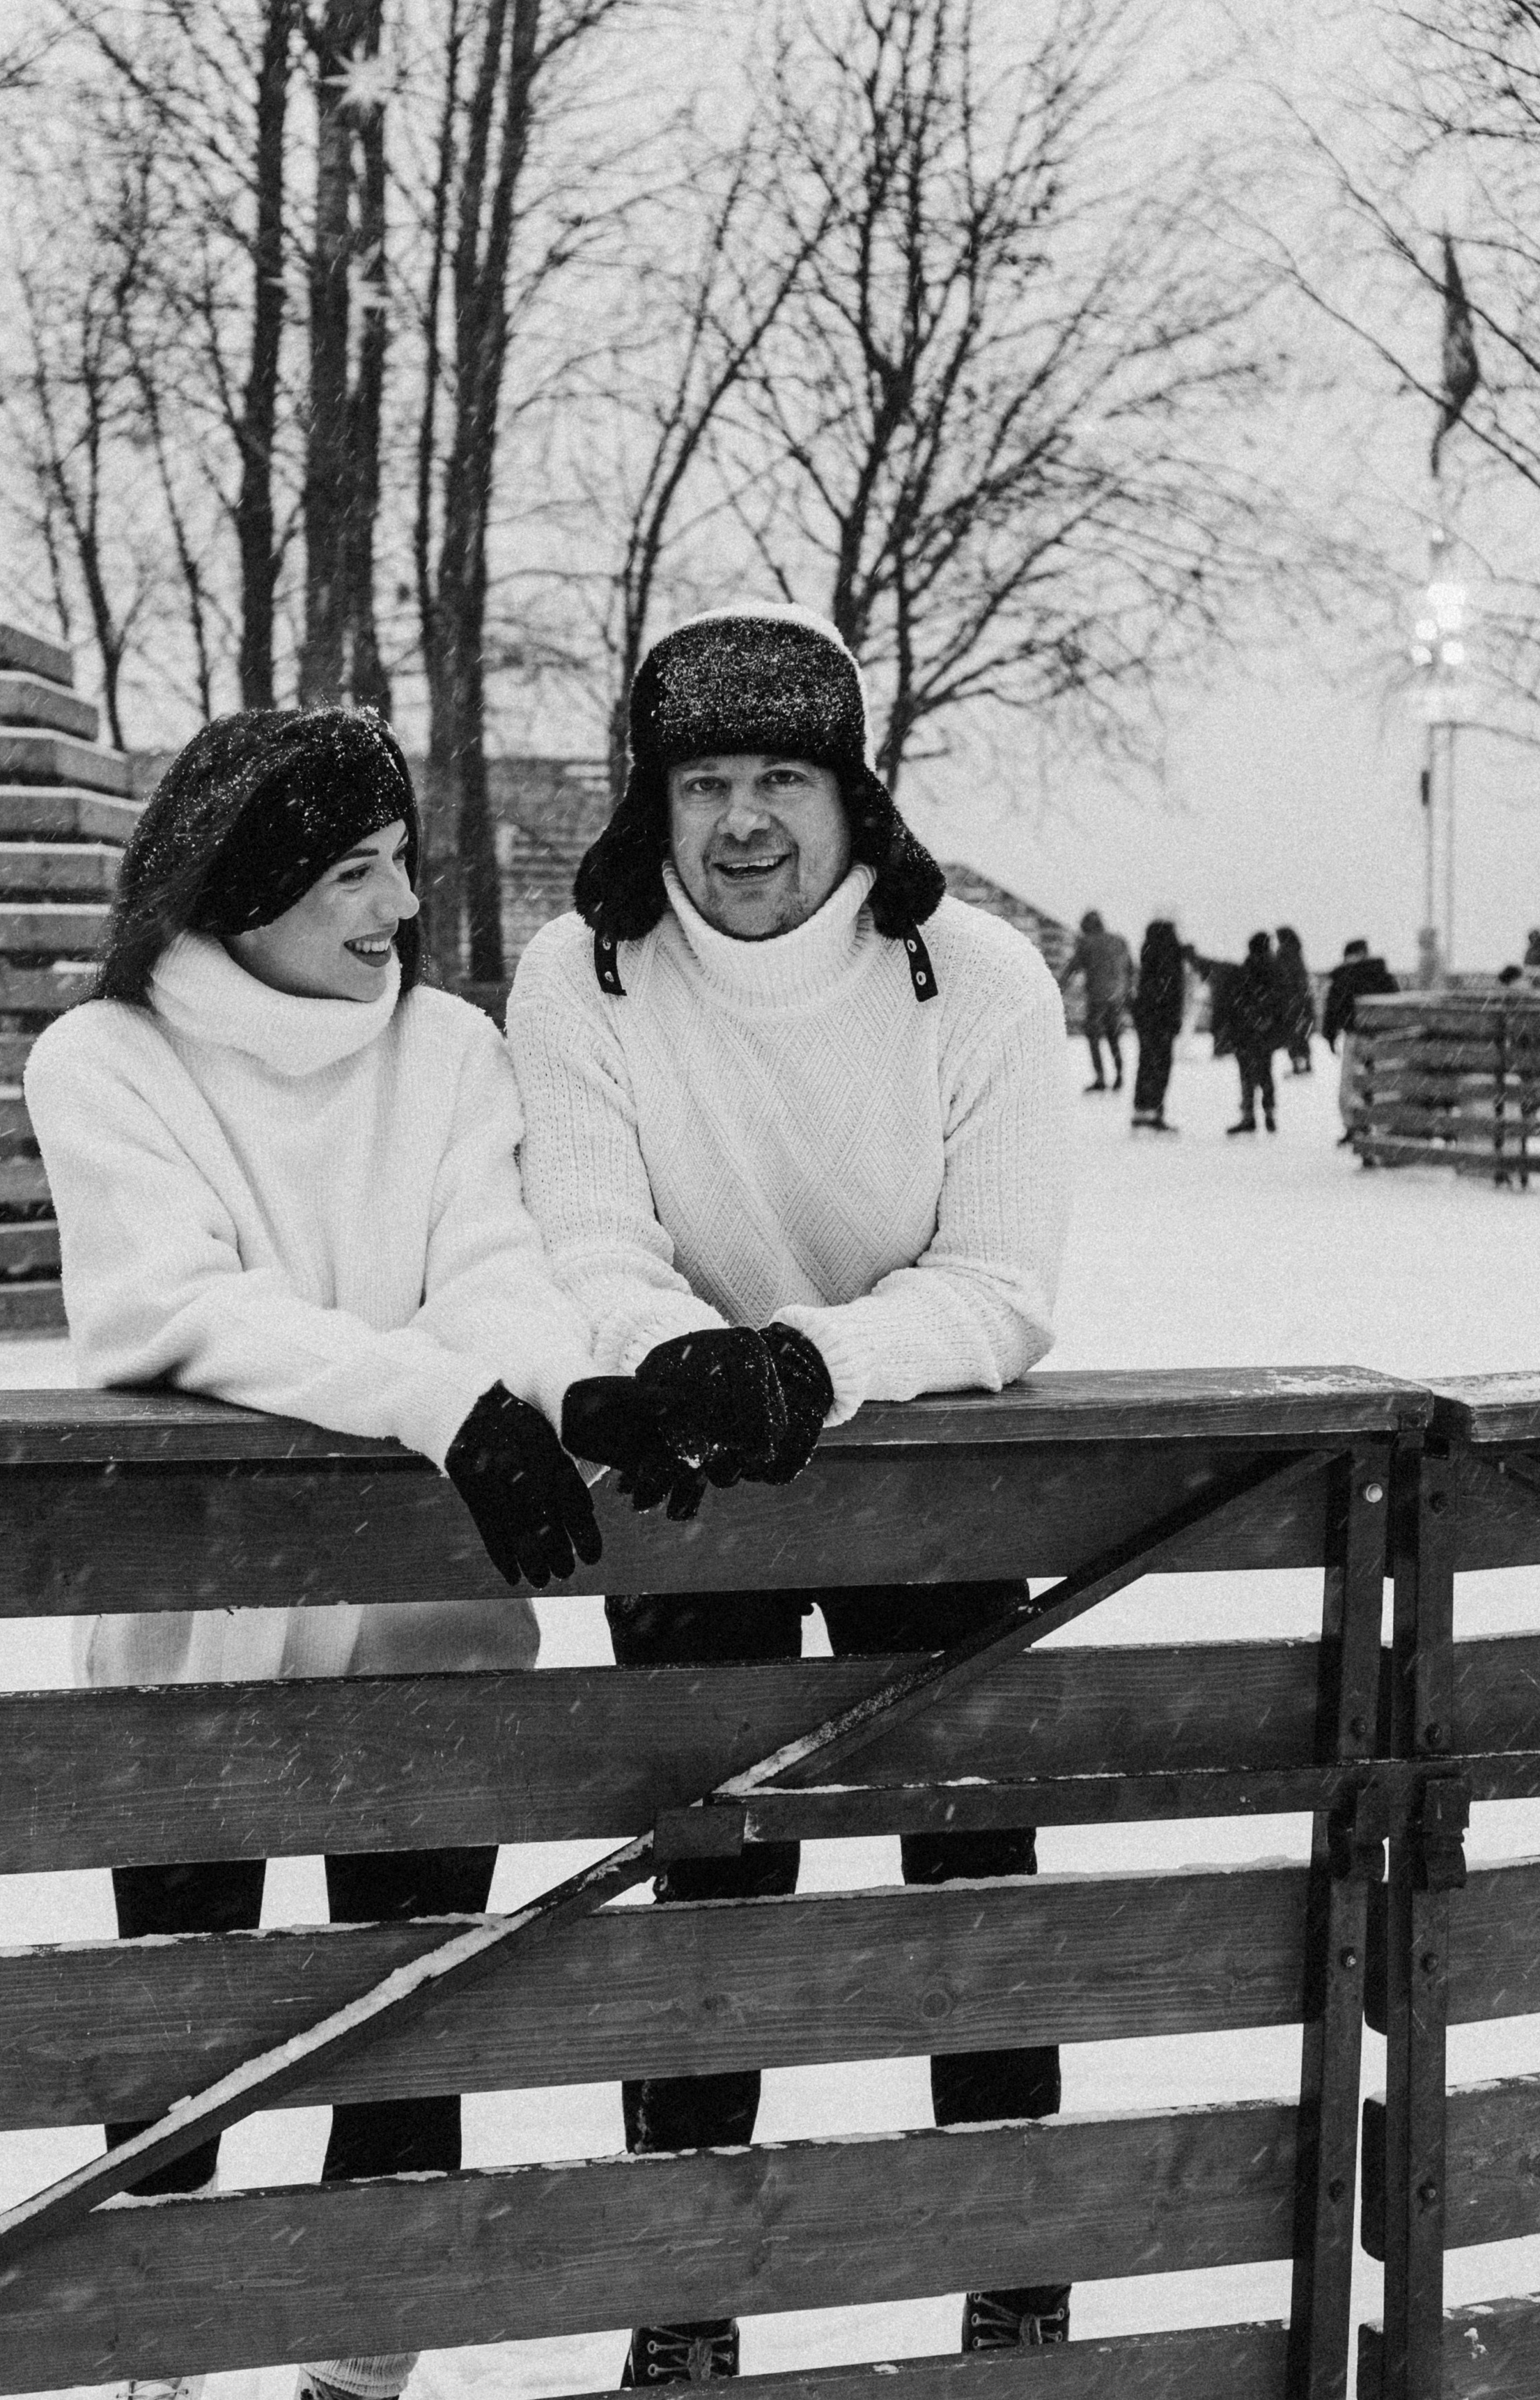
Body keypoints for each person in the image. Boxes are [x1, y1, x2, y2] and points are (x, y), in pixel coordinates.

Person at [24, 708, 681, 2400]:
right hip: (195, 1652)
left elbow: (484, 1261)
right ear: (246, 891)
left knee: (401, 2042)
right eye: (349, 873)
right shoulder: (106, 1059)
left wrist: (559, 1378)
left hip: (420, 1639)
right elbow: (170, 1303)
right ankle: (160, 2367)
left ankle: (357, 2383)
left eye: (402, 860)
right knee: (182, 2059)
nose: (396, 904)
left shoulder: (446, 1051)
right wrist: (443, 1404)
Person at [507, 601, 1073, 2380]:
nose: (740, 821)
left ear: (850, 794)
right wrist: (674, 1352)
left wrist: (811, 1361)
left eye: (779, 777)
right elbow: (586, 1232)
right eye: (701, 782)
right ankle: (684, 2296)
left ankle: (1012, 2275)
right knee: (701, 1884)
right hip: (694, 1486)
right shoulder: (579, 971)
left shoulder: (974, 975)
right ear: (650, 802)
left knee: (965, 1882)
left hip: (924, 1478)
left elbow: (997, 1277)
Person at [1188, 932, 1281, 1133]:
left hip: (1245, 1030)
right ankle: (1270, 1113)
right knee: (1266, 1073)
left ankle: (1248, 1116)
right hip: (1265, 1030)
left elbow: (1229, 994)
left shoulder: (1244, 970)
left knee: (1247, 1074)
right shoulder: (1275, 970)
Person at [1321, 935, 1399, 1147]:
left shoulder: (1342, 976)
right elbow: (1396, 1005)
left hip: (1355, 1037)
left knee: (1351, 1084)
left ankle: (1355, 1126)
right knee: (1379, 1083)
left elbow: (1332, 1009)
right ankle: (1382, 1126)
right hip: (1380, 1037)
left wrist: (1330, 1035)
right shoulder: (1382, 974)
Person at [1059, 907, 1135, 1091]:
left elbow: (1072, 968)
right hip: (1117, 997)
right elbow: (1131, 969)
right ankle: (1119, 1077)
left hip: (1097, 997)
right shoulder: (1119, 941)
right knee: (1113, 1036)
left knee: (1093, 1035)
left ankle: (1101, 1078)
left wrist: (1057, 989)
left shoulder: (1087, 943)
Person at [1130, 918, 1185, 1130]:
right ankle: (1155, 1111)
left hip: (1146, 1016)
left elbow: (1146, 986)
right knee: (1162, 1065)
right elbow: (1174, 990)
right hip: (1164, 1019)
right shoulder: (1173, 954)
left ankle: (1141, 1109)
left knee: (1146, 1062)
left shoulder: (1148, 952)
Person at [1273, 925, 1315, 1074]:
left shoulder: (1282, 953)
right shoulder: (1298, 952)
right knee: (1302, 1033)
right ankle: (1307, 1062)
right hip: (1303, 999)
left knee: (1292, 1034)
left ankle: (1297, 1065)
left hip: (1289, 1000)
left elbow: (1280, 978)